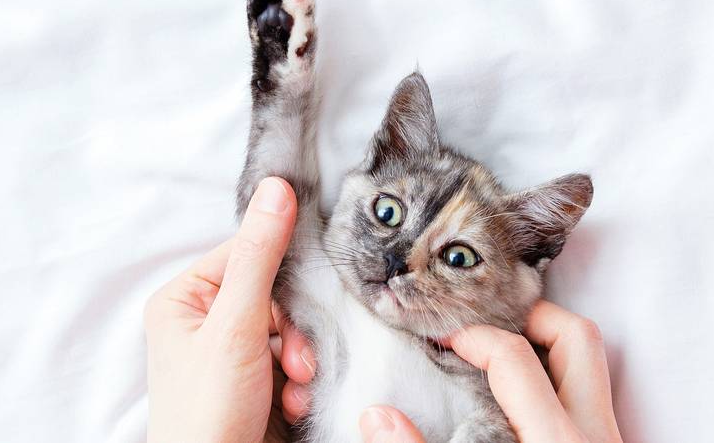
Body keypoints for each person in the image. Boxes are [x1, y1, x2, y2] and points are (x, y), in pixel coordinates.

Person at [144, 177, 624, 443]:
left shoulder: (495, 388)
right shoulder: (338, 307)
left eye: (456, 257)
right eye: (390, 214)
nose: (401, 264)